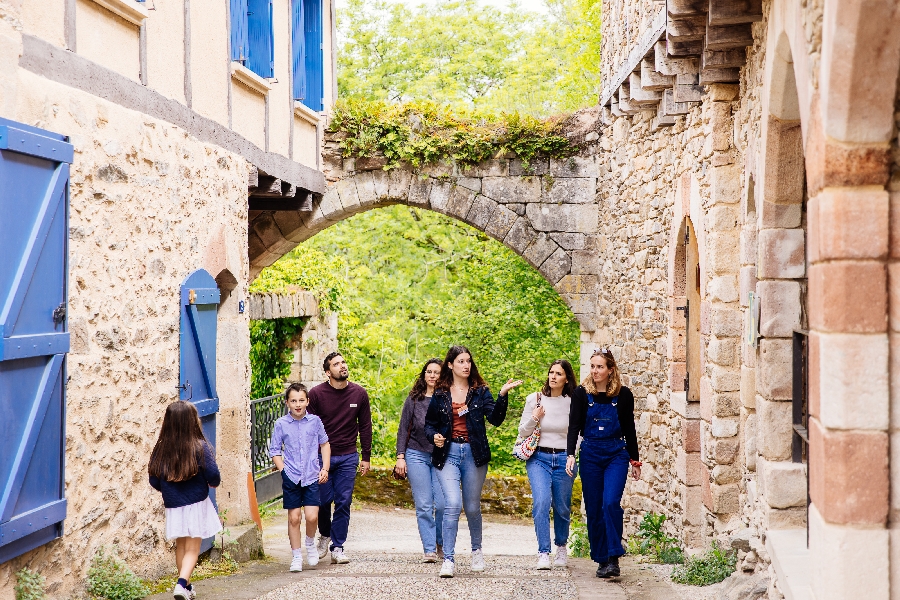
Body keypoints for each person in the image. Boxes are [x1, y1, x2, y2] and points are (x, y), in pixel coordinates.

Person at [425, 345, 522, 578]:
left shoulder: (480, 391)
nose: (466, 365)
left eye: (468, 361)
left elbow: (496, 419)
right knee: (452, 504)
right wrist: (435, 437)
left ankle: (476, 550)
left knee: (472, 507)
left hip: (474, 454)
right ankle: (448, 559)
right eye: (460, 361)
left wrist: (502, 395)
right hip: (447, 454)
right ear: (450, 365)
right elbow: (429, 425)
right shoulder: (440, 393)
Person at [566, 347, 641, 579]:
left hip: (616, 453)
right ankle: (601, 559)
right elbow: (574, 426)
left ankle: (613, 556)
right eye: (593, 366)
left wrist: (635, 460)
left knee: (610, 503)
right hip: (590, 454)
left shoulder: (624, 395)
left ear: (610, 370)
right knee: (594, 507)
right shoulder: (581, 394)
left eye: (600, 367)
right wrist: (570, 454)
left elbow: (629, 428)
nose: (595, 371)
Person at [148, 401, 222, 600]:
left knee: (181, 545)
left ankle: (186, 586)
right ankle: (181, 584)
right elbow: (213, 474)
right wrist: (212, 483)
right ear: (192, 421)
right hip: (196, 502)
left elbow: (153, 479)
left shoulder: (161, 449)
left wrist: (168, 490)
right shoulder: (200, 446)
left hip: (174, 505)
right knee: (192, 548)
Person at [307, 351, 372, 564]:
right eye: (336, 364)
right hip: (321, 457)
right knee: (323, 500)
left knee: (343, 501)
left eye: (343, 362)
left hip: (347, 456)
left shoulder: (359, 394)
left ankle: (338, 546)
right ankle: (325, 534)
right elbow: (309, 428)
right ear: (328, 372)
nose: (342, 366)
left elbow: (365, 426)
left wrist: (366, 456)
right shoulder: (316, 395)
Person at [517, 359, 578, 570]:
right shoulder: (535, 399)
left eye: (558, 374)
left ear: (566, 378)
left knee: (561, 506)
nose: (553, 376)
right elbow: (522, 432)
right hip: (539, 458)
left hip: (564, 458)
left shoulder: (573, 402)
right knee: (541, 502)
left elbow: (579, 434)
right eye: (551, 372)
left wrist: (573, 454)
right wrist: (534, 418)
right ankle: (543, 552)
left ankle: (561, 545)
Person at [269, 383, 331, 572]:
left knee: (312, 516)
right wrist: (283, 470)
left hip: (312, 475)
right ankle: (296, 556)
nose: (298, 404)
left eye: (301, 400)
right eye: (293, 400)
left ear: (307, 401)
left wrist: (325, 468)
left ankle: (310, 543)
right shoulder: (281, 424)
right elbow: (274, 450)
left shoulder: (315, 421)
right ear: (287, 402)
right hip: (292, 476)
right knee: (294, 518)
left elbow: (325, 444)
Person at [394, 358, 446, 563]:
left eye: (437, 372)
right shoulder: (414, 399)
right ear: (424, 375)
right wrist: (400, 457)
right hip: (416, 454)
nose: (432, 375)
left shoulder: (447, 398)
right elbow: (402, 429)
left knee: (443, 504)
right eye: (429, 372)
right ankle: (429, 549)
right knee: (424, 504)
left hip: (441, 456)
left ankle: (440, 541)